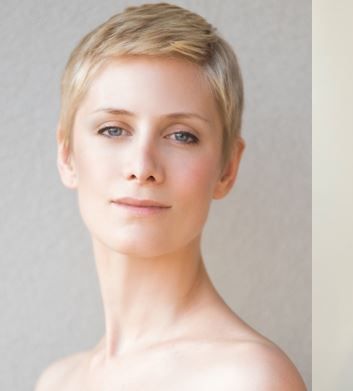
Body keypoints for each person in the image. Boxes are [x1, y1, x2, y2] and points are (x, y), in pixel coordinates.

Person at [36, 4, 304, 390]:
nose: (142, 166)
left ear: (227, 168)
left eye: (181, 135)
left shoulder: (248, 378)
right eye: (114, 129)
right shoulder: (55, 381)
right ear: (66, 155)